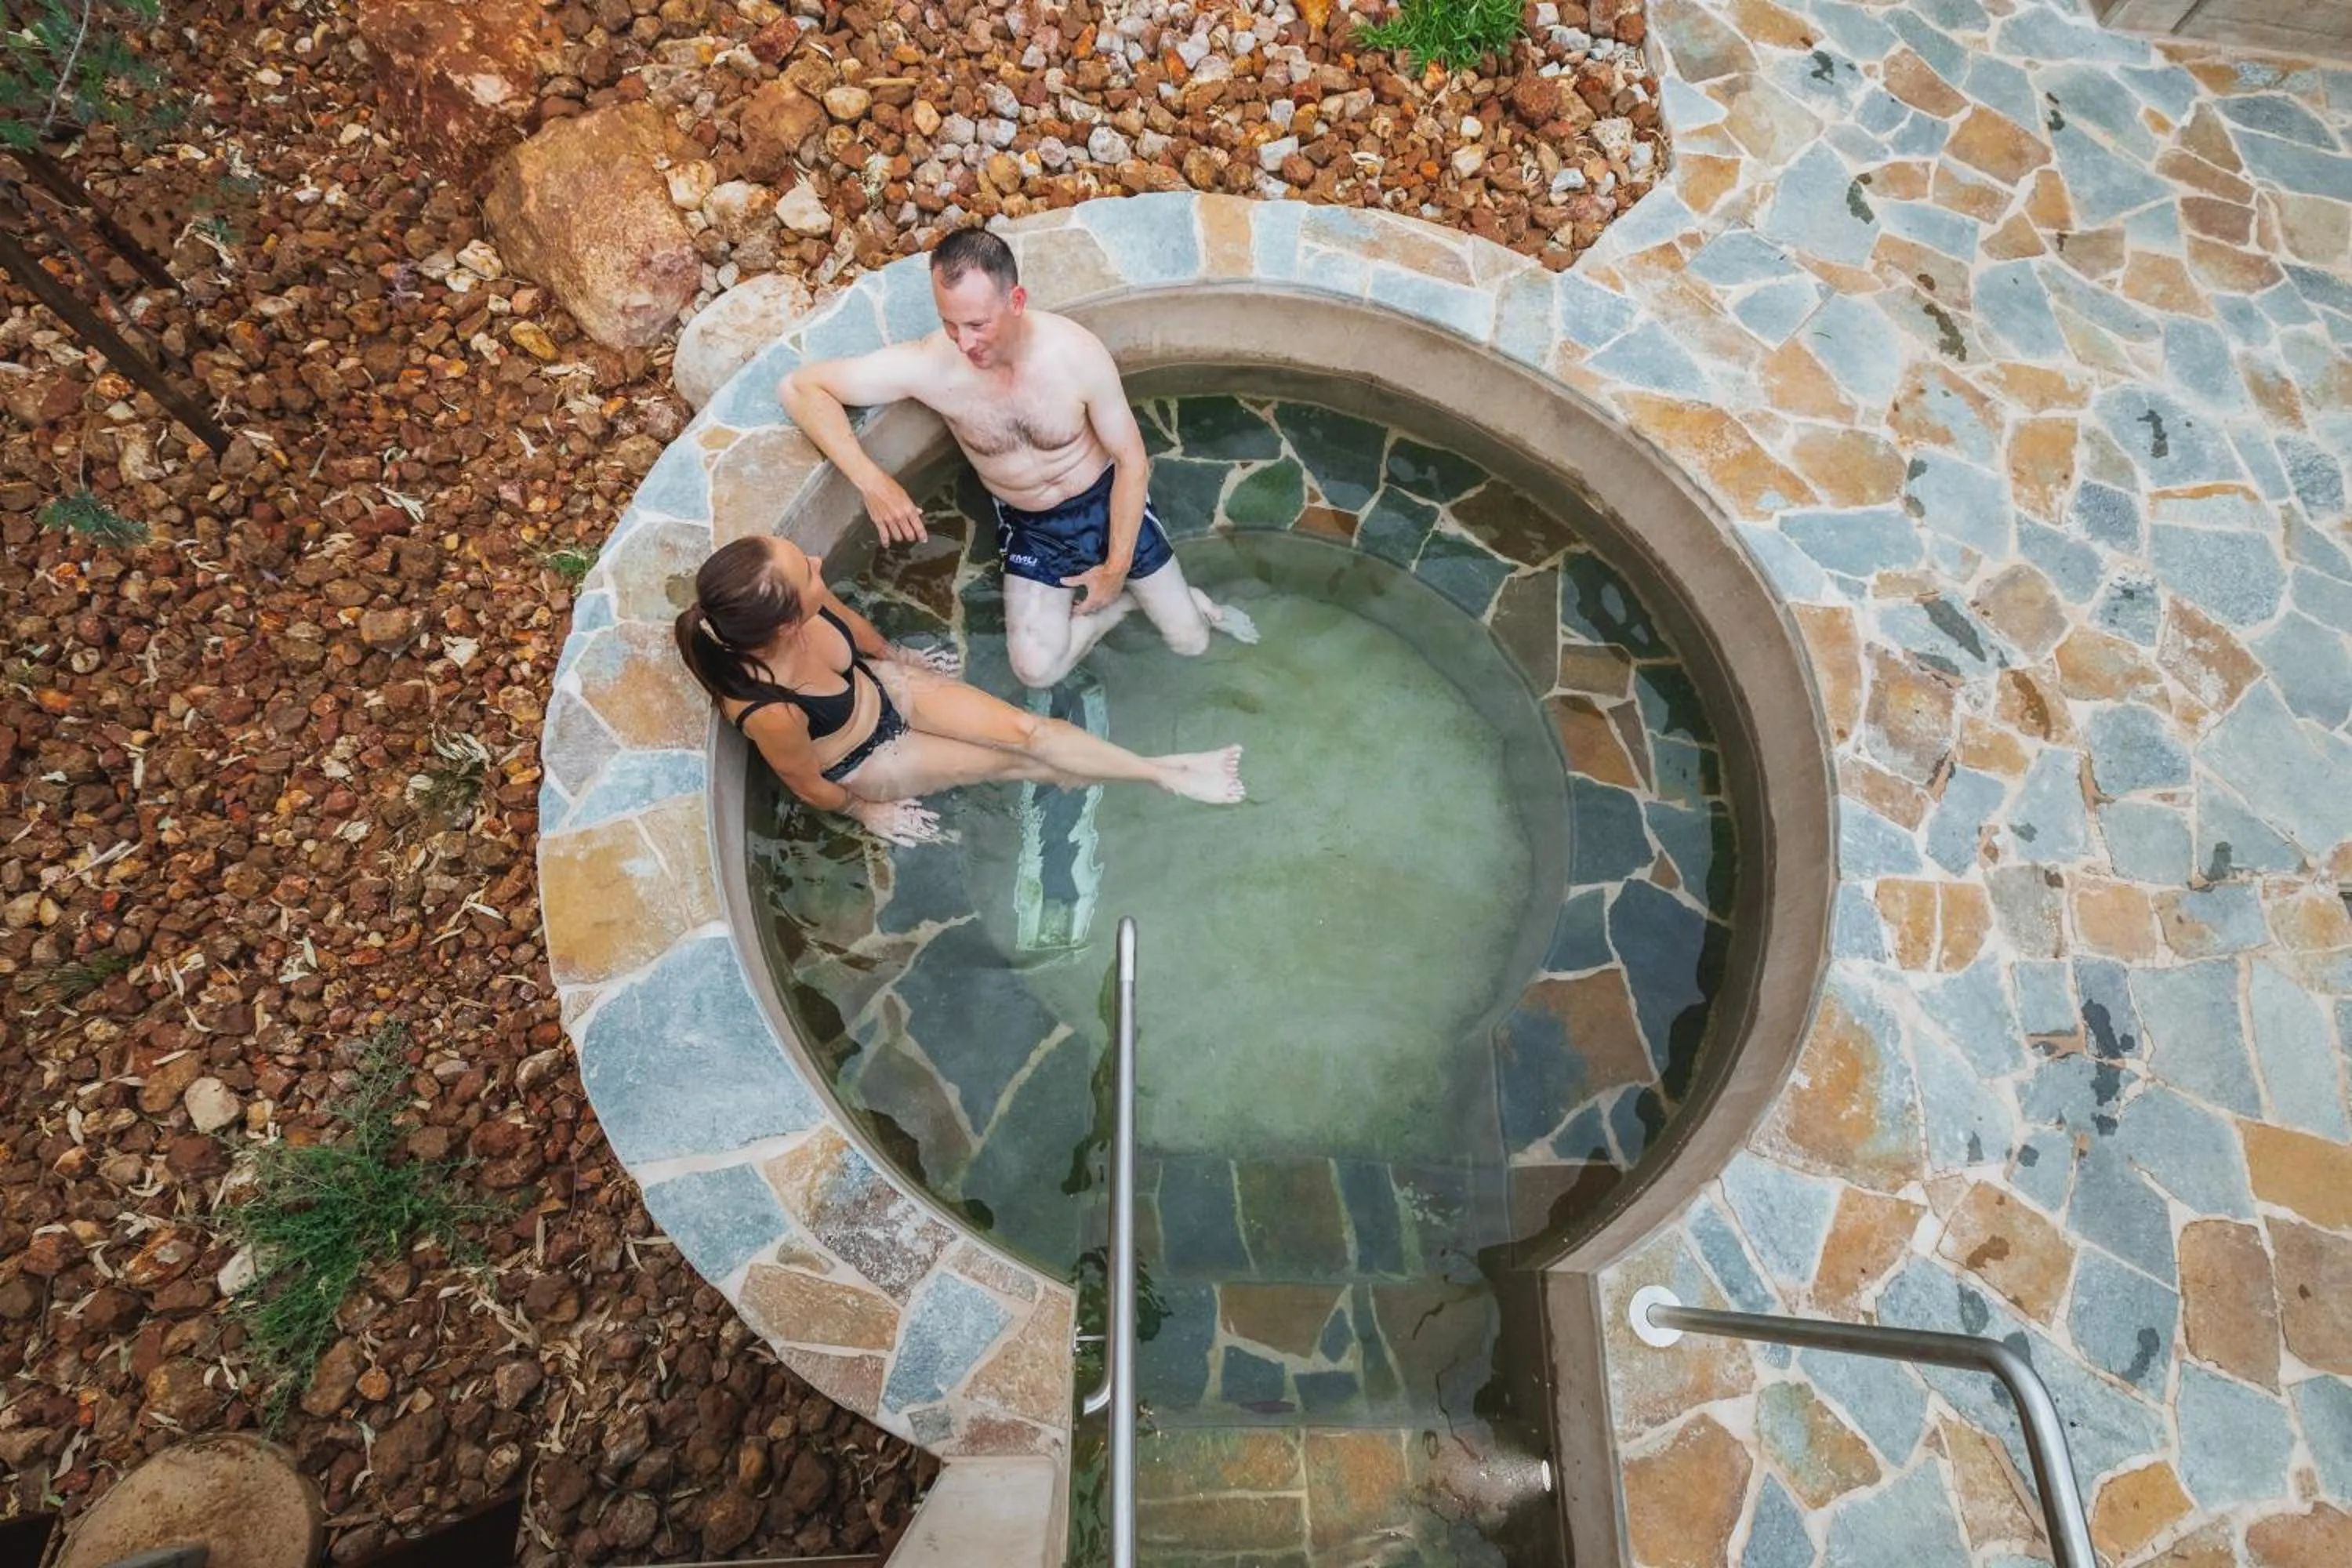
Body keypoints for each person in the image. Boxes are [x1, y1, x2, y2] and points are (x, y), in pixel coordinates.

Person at [779, 226, 1258, 691]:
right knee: (1036, 670)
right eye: (950, 324)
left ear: (1017, 302)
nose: (964, 343)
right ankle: (1124, 608)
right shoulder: (932, 366)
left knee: (1190, 641)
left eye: (977, 324)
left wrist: (1114, 571)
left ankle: (1140, 595)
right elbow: (801, 388)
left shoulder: (1074, 355)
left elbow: (1133, 462)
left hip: (1106, 500)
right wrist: (873, 481)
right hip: (1031, 525)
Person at [675, 535, 1246, 845]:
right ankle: (1166, 776)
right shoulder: (767, 711)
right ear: (785, 627)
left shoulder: (808, 604)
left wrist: (897, 658)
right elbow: (806, 784)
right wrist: (864, 811)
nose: (818, 563)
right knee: (1014, 765)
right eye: (808, 572)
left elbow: (861, 635)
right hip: (868, 755)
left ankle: (1163, 772)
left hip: (887, 689)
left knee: (1029, 731)